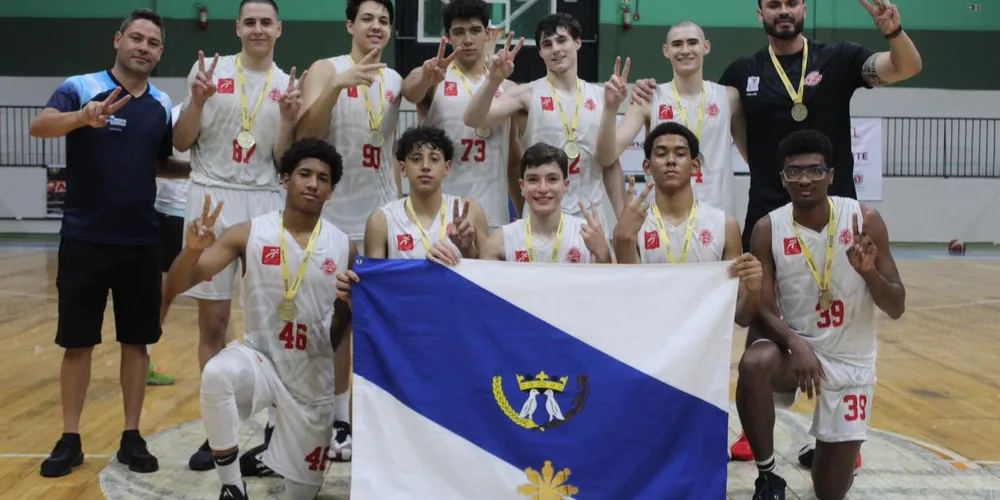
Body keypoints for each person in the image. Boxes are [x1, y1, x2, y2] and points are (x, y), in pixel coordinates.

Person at [698, 0, 921, 463]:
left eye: (792, 2)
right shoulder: (742, 71)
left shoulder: (837, 58)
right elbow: (734, 129)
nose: (784, 10)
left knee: (841, 312)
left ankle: (838, 431)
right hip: (769, 206)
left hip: (835, 213)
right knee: (762, 312)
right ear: (760, 12)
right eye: (773, 4)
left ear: (803, 7)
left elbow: (905, 68)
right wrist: (766, 170)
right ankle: (755, 429)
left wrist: (894, 30)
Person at [28, 8, 191, 478]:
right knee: (77, 344)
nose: (143, 47)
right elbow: (41, 126)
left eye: (153, 42)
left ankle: (132, 436)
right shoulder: (80, 86)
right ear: (118, 39)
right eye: (136, 37)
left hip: (141, 240)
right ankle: (71, 438)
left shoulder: (160, 102)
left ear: (160, 53)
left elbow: (158, 161)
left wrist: (210, 171)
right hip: (84, 238)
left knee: (136, 343)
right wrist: (83, 117)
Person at [165, 138, 354, 500]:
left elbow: (340, 328)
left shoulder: (344, 246)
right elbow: (176, 284)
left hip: (311, 378)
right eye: (304, 174)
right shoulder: (247, 233)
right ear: (285, 179)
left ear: (331, 191)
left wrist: (349, 306)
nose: (313, 183)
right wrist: (191, 251)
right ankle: (232, 487)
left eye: (323, 178)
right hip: (260, 359)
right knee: (218, 373)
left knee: (302, 493)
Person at [169, 0, 306, 473]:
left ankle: (275, 432)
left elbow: (283, 158)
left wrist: (289, 118)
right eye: (250, 21)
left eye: (266, 22)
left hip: (266, 199)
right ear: (237, 27)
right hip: (211, 198)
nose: (258, 29)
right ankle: (217, 433)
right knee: (213, 323)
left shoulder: (290, 84)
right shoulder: (208, 70)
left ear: (279, 29)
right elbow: (182, 142)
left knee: (270, 318)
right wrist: (199, 101)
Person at [736, 129, 905, 500]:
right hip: (795, 352)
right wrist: (795, 342)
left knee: (829, 492)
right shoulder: (768, 228)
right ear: (782, 179)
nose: (804, 179)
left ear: (831, 174)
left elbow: (896, 304)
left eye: (814, 170)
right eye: (794, 172)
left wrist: (868, 271)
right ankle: (767, 476)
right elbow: (762, 307)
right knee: (753, 363)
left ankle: (839, 455)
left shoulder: (864, 220)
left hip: (851, 362)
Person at [296, 0, 399, 462]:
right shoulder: (326, 68)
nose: (375, 27)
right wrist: (335, 87)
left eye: (383, 20)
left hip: (380, 216)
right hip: (333, 217)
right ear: (350, 25)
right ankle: (335, 417)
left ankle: (377, 417)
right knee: (332, 322)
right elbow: (305, 136)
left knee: (376, 322)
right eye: (367, 19)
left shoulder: (394, 80)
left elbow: (390, 147)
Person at [462, 13, 626, 239]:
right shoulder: (527, 94)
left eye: (561, 40)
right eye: (547, 44)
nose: (555, 49)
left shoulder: (602, 97)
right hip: (540, 216)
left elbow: (609, 165)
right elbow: (473, 119)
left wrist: (623, 221)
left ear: (577, 42)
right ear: (540, 52)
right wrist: (493, 80)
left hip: (590, 219)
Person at [612, 122, 761, 326]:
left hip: (705, 343)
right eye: (662, 154)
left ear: (695, 166)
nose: (671, 160)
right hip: (651, 334)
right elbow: (633, 300)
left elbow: (741, 318)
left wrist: (753, 289)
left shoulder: (725, 225)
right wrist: (624, 239)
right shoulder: (633, 226)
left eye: (680, 154)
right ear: (647, 166)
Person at [597, 21, 746, 217]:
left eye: (692, 42)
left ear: (706, 47)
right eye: (677, 44)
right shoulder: (648, 98)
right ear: (666, 51)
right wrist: (610, 108)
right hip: (664, 221)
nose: (685, 50)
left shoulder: (729, 98)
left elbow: (753, 157)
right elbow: (606, 156)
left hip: (720, 216)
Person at [402, 0, 523, 229]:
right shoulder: (434, 77)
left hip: (493, 214)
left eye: (475, 31)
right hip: (441, 214)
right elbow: (409, 90)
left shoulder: (506, 88)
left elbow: (513, 160)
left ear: (488, 34)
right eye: (459, 32)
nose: (467, 40)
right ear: (447, 37)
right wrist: (426, 79)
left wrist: (523, 211)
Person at [461, 143, 613, 264]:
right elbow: (483, 293)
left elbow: (610, 290)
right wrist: (466, 249)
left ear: (565, 185)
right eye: (533, 180)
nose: (542, 189)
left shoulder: (587, 236)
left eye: (552, 179)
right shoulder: (501, 240)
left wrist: (603, 255)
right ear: (522, 186)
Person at [365, 125, 490, 261]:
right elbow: (374, 279)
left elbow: (489, 274)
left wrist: (467, 250)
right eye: (416, 159)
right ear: (403, 168)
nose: (425, 166)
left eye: (434, 159)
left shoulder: (472, 211)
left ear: (446, 168)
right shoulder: (381, 220)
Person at [148, 103, 191, 387]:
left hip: (206, 213)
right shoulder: (174, 115)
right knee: (164, 291)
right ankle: (143, 354)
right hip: (171, 214)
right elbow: (156, 164)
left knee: (217, 296)